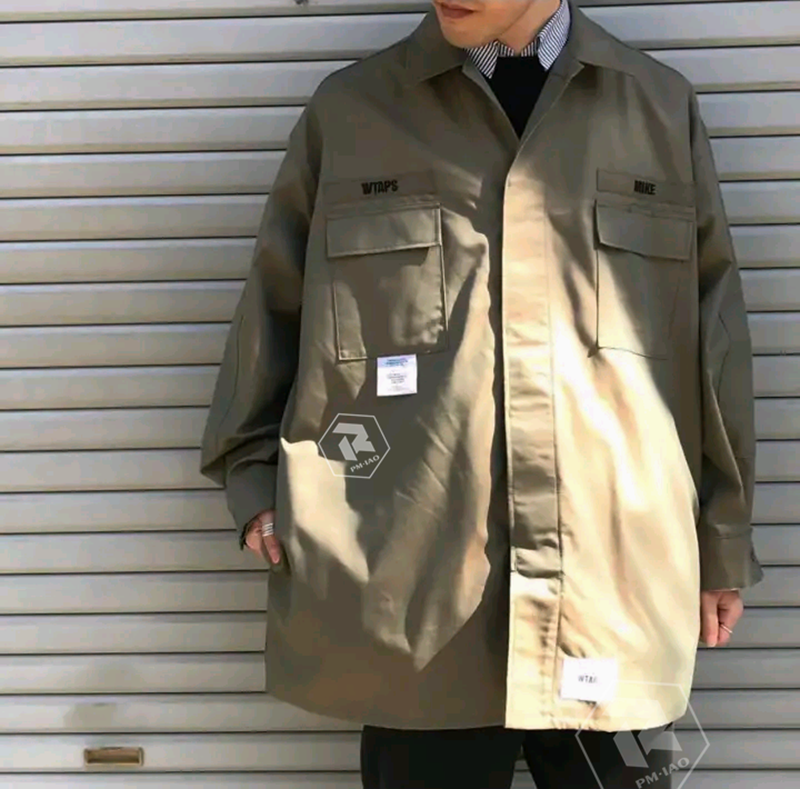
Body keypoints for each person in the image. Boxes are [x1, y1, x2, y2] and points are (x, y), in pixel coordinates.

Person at [199, 0, 765, 786]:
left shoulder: (656, 110)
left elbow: (714, 340)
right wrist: (255, 481)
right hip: (415, 607)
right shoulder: (355, 113)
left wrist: (722, 540)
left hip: (613, 592)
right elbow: (275, 307)